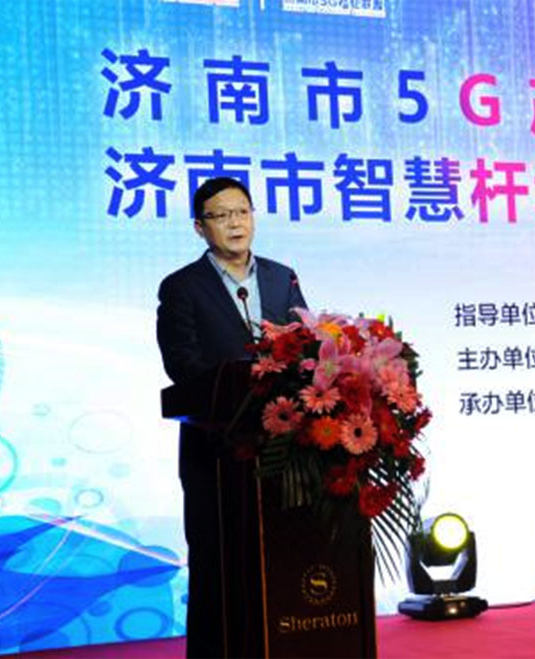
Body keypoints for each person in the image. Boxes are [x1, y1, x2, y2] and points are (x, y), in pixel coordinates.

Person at [156, 177, 307, 657]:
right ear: (199, 227)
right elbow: (181, 364)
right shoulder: (181, 287)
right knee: (216, 561)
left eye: (242, 212)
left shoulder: (283, 277)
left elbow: (306, 346)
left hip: (284, 448)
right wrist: (240, 387)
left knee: (284, 558)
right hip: (216, 451)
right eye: (221, 216)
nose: (235, 223)